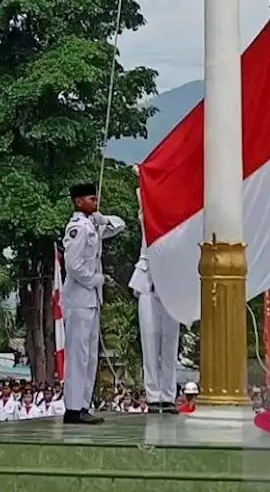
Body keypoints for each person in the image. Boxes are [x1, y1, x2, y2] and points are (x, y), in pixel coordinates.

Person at [61, 181, 125, 425]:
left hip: (90, 300)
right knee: (78, 355)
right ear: (79, 202)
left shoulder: (92, 225)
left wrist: (101, 217)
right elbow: (73, 266)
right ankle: (73, 408)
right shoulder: (77, 228)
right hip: (78, 297)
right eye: (91, 199)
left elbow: (120, 225)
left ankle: (83, 405)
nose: (95, 202)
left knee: (89, 356)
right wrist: (96, 279)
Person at [129, 207, 180, 414]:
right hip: (148, 285)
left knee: (169, 346)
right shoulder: (149, 218)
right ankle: (153, 396)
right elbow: (144, 205)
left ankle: (168, 397)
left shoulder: (181, 226)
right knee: (149, 343)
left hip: (171, 286)